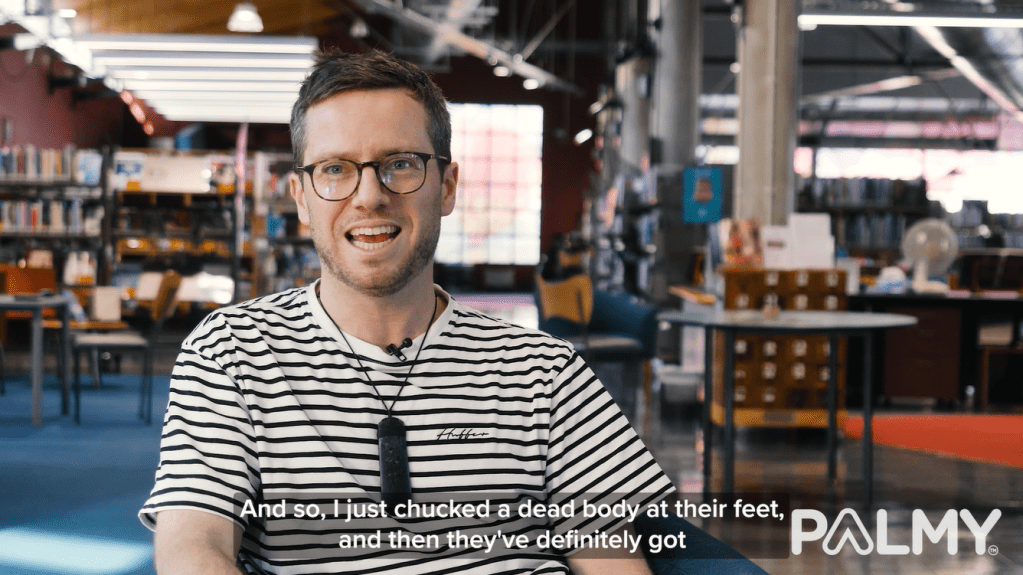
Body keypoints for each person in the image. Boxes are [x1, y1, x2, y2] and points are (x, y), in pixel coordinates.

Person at [139, 49, 674, 575]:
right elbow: (193, 545)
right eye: (335, 169)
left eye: (400, 164)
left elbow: (612, 560)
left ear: (446, 186)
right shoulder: (231, 353)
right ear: (301, 197)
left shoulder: (546, 372)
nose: (369, 196)